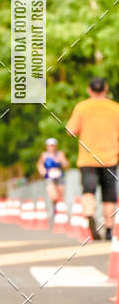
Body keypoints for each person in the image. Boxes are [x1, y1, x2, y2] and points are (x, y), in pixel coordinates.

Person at [67, 77, 119, 241]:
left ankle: (90, 215)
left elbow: (70, 130)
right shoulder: (115, 108)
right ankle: (109, 228)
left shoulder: (82, 107)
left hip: (88, 158)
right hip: (110, 158)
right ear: (106, 89)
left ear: (89, 90)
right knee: (109, 194)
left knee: (88, 191)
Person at [37, 138, 69, 218]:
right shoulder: (44, 155)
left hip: (59, 177)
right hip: (49, 177)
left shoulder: (60, 154)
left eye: (53, 146)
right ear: (47, 147)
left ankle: (60, 212)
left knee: (60, 196)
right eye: (50, 146)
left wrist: (61, 162)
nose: (52, 148)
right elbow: (39, 164)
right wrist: (42, 170)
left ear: (56, 146)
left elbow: (66, 164)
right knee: (53, 196)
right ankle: (55, 209)